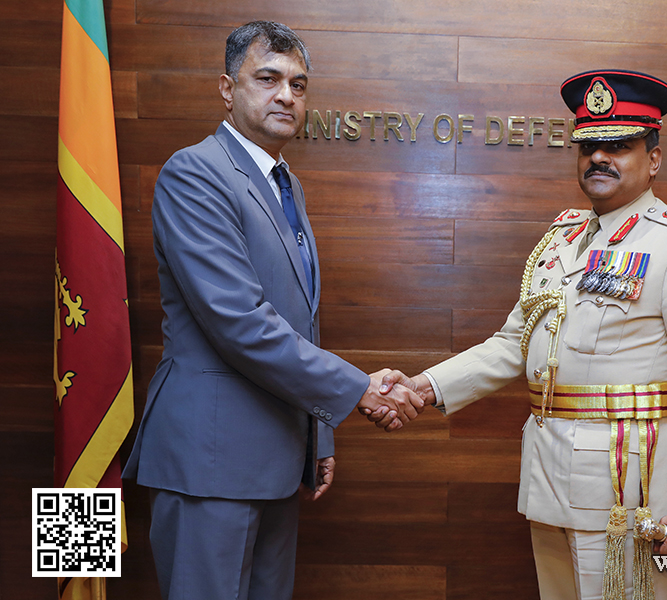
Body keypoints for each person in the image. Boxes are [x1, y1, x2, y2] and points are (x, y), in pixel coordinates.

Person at [379, 70, 667, 600]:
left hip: (627, 493)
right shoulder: (563, 239)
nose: (599, 157)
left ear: (654, 159)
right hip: (549, 479)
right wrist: (423, 386)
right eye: (589, 145)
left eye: (618, 145)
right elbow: (512, 344)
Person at [123, 21, 422, 600]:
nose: (287, 95)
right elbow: (240, 322)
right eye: (268, 78)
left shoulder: (286, 185)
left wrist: (319, 436)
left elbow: (299, 323)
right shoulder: (196, 174)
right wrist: (360, 389)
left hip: (278, 462)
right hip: (209, 462)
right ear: (227, 89)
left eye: (299, 84)